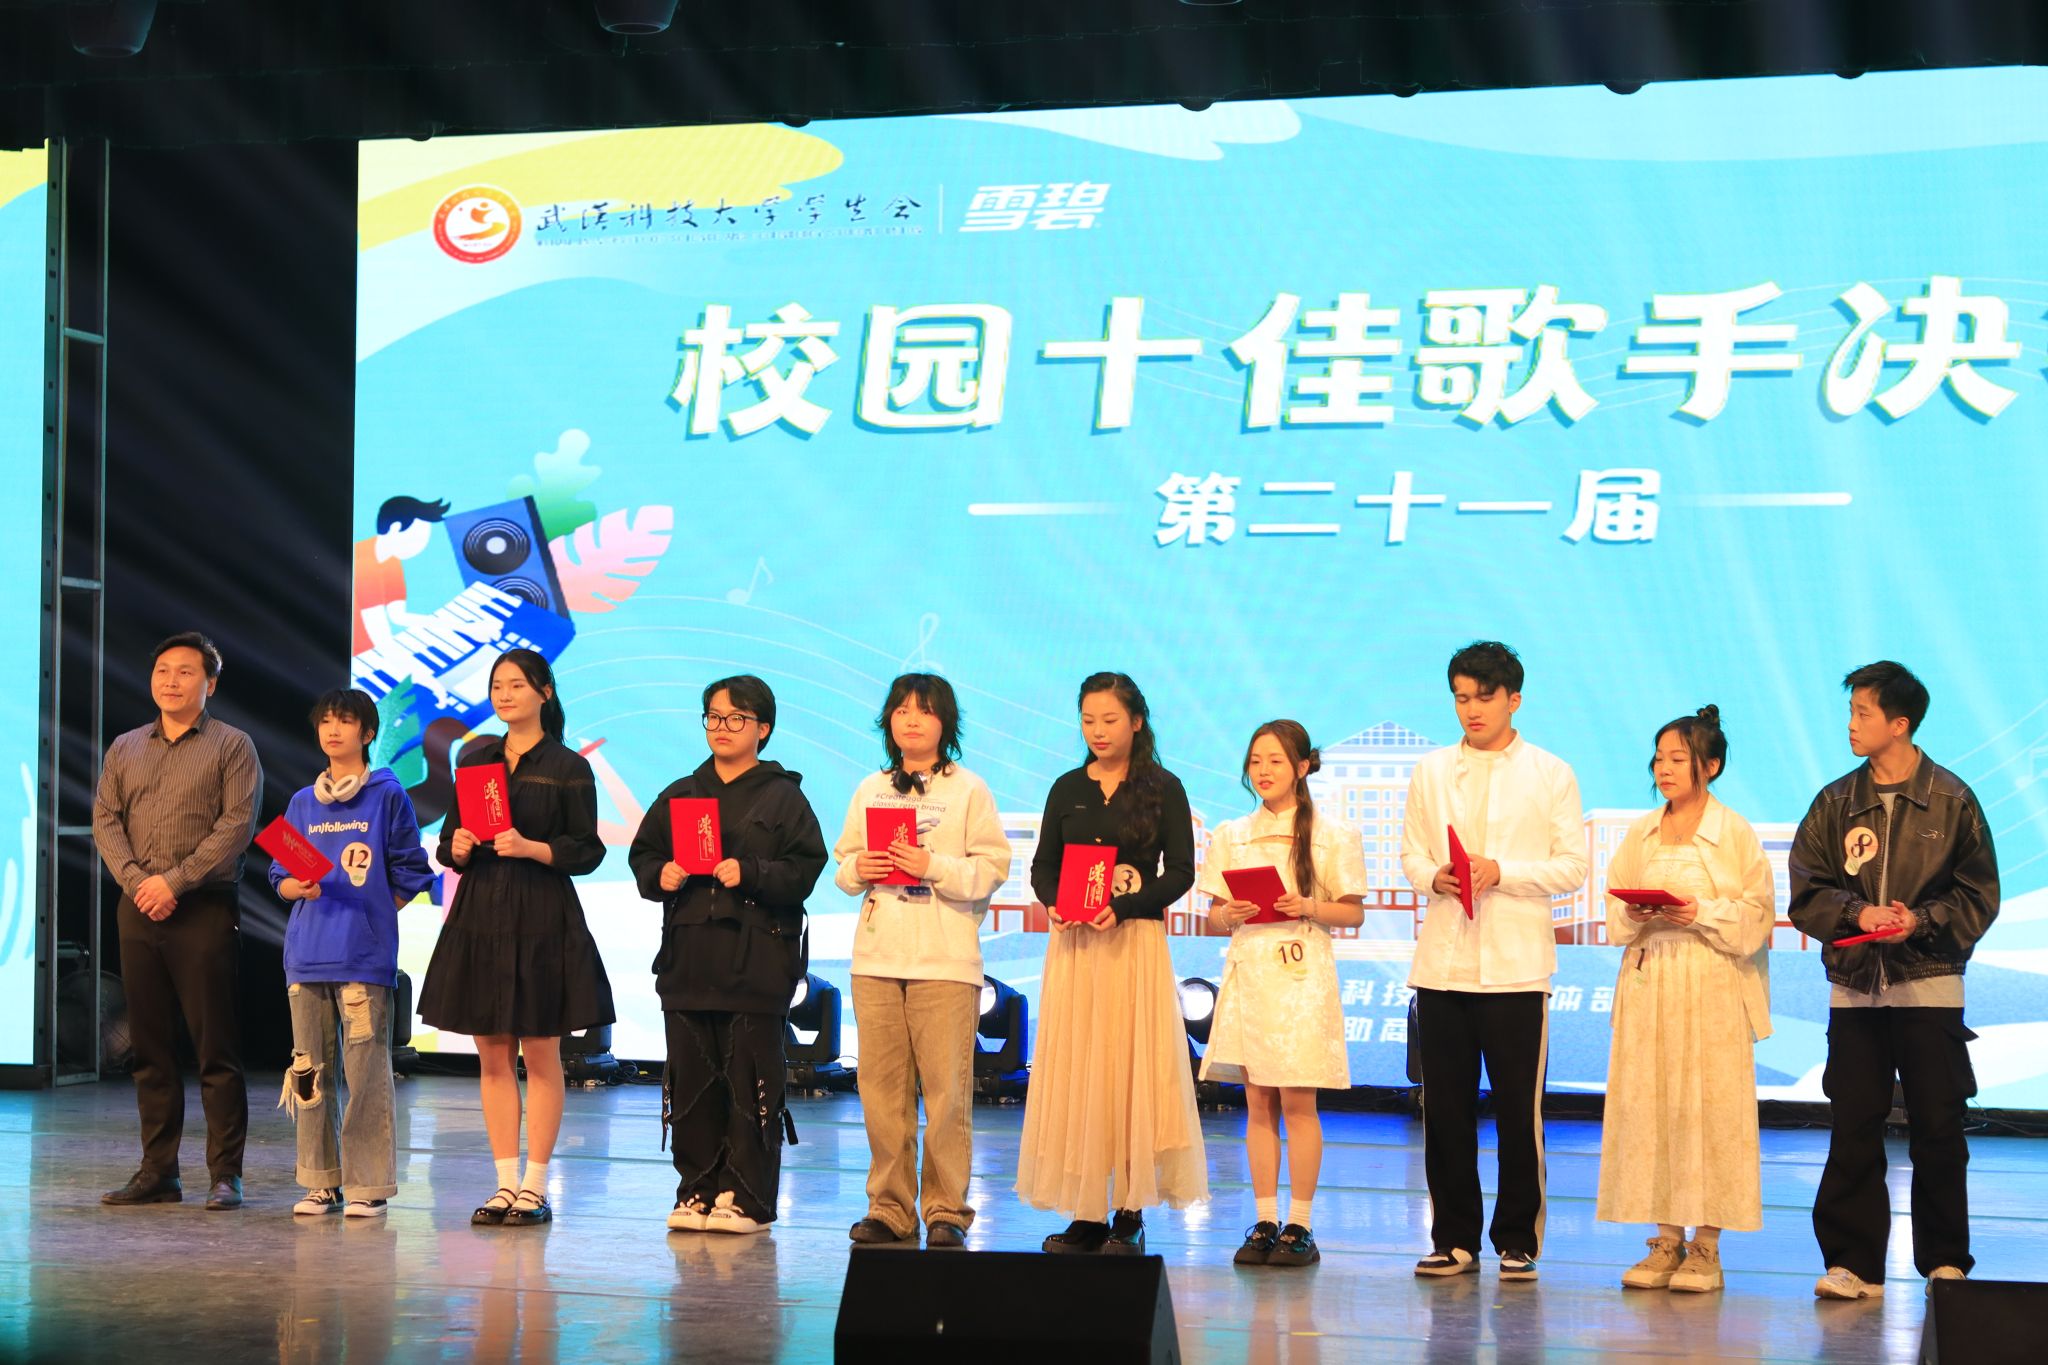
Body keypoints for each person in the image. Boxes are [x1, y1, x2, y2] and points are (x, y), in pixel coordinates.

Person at [1788, 661, 1999, 1301]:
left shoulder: (1953, 800)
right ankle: (1853, 1264)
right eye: (1851, 712)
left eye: (1864, 713)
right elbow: (1807, 893)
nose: (1851, 725)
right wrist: (1857, 913)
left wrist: (1920, 920)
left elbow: (1978, 895)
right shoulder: (1834, 802)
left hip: (1929, 986)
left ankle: (1945, 1261)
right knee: (1854, 1125)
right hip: (1855, 991)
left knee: (1938, 1127)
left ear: (1899, 724)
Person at [1402, 641, 1586, 1281]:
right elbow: (1411, 854)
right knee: (1445, 1110)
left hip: (1517, 967)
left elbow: (1572, 867)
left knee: (1516, 1113)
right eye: (1460, 697)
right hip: (1443, 964)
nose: (1471, 710)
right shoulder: (1430, 771)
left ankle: (1517, 1239)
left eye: (1483, 697)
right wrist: (1435, 877)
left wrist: (1501, 871)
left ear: (1514, 700)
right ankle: (1453, 1238)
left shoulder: (1550, 772)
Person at [417, 648, 615, 1227]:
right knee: (493, 1052)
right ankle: (504, 1183)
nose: (504, 695)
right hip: (482, 913)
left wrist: (533, 848)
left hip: (541, 915)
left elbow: (588, 850)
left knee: (542, 1051)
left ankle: (535, 1185)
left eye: (517, 685)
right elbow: (451, 836)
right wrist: (454, 847)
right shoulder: (477, 759)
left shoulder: (567, 766)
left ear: (544, 693)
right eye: (497, 686)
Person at [627, 675, 827, 1235]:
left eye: (737, 718)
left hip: (756, 963)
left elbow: (805, 870)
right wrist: (660, 874)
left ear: (763, 728)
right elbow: (643, 854)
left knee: (750, 1080)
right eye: (713, 717)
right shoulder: (681, 793)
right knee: (692, 1081)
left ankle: (748, 1197)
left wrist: (752, 871)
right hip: (689, 960)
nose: (722, 727)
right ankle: (696, 1190)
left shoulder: (784, 797)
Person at [1017, 672, 1208, 1254]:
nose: (1097, 731)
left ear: (1137, 722)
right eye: (1087, 721)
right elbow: (1043, 865)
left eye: (1109, 720)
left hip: (1132, 944)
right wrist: (1055, 902)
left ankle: (1129, 1211)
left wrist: (1123, 907)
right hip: (1076, 947)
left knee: (1129, 1071)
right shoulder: (1067, 787)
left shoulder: (1163, 788)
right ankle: (1087, 1211)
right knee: (1080, 1070)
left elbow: (1181, 872)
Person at [1594, 706, 1775, 1293]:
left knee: (1711, 1109)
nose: (1664, 769)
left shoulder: (1734, 832)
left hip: (1712, 980)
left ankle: (1707, 1248)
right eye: (1658, 760)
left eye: (1678, 759)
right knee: (1652, 1106)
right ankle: (1665, 1239)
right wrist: (1636, 911)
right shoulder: (1642, 831)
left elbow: (1757, 917)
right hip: (1651, 980)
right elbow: (1613, 912)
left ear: (1711, 766)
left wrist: (1699, 911)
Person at [831, 674, 1012, 1249]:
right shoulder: (871, 788)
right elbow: (843, 867)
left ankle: (946, 1210)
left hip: (945, 960)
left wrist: (930, 864)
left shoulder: (969, 790)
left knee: (947, 1094)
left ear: (945, 723)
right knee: (881, 1093)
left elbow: (992, 868)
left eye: (925, 711)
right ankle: (889, 1208)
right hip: (877, 957)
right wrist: (861, 868)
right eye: (901, 710)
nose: (911, 720)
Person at [94, 632, 263, 1212]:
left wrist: (175, 881)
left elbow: (236, 826)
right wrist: (138, 881)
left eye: (185, 672)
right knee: (149, 1047)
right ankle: (158, 1172)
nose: (171, 681)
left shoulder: (232, 745)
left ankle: (225, 1174)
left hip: (203, 906)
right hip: (138, 906)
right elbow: (105, 819)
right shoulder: (126, 746)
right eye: (162, 670)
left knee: (215, 1047)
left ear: (209, 683)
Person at [1201, 720, 1367, 1268]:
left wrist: (1309, 906)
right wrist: (1229, 913)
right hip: (1250, 972)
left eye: (1275, 760)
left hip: (1300, 976)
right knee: (1257, 1101)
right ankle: (1265, 1220)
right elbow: (1212, 916)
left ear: (1301, 767)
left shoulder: (1332, 834)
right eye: (1255, 761)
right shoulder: (1232, 834)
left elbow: (1353, 912)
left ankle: (1300, 1223)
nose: (1263, 771)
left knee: (1298, 1101)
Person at [269, 687, 437, 1219]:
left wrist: (374, 914)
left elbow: (412, 870)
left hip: (362, 958)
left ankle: (367, 1184)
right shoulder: (303, 801)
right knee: (309, 1072)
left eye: (344, 721)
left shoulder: (387, 796)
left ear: (367, 733)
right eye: (326, 721)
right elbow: (279, 873)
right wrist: (294, 886)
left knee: (366, 1075)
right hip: (306, 955)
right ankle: (320, 1181)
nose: (333, 729)